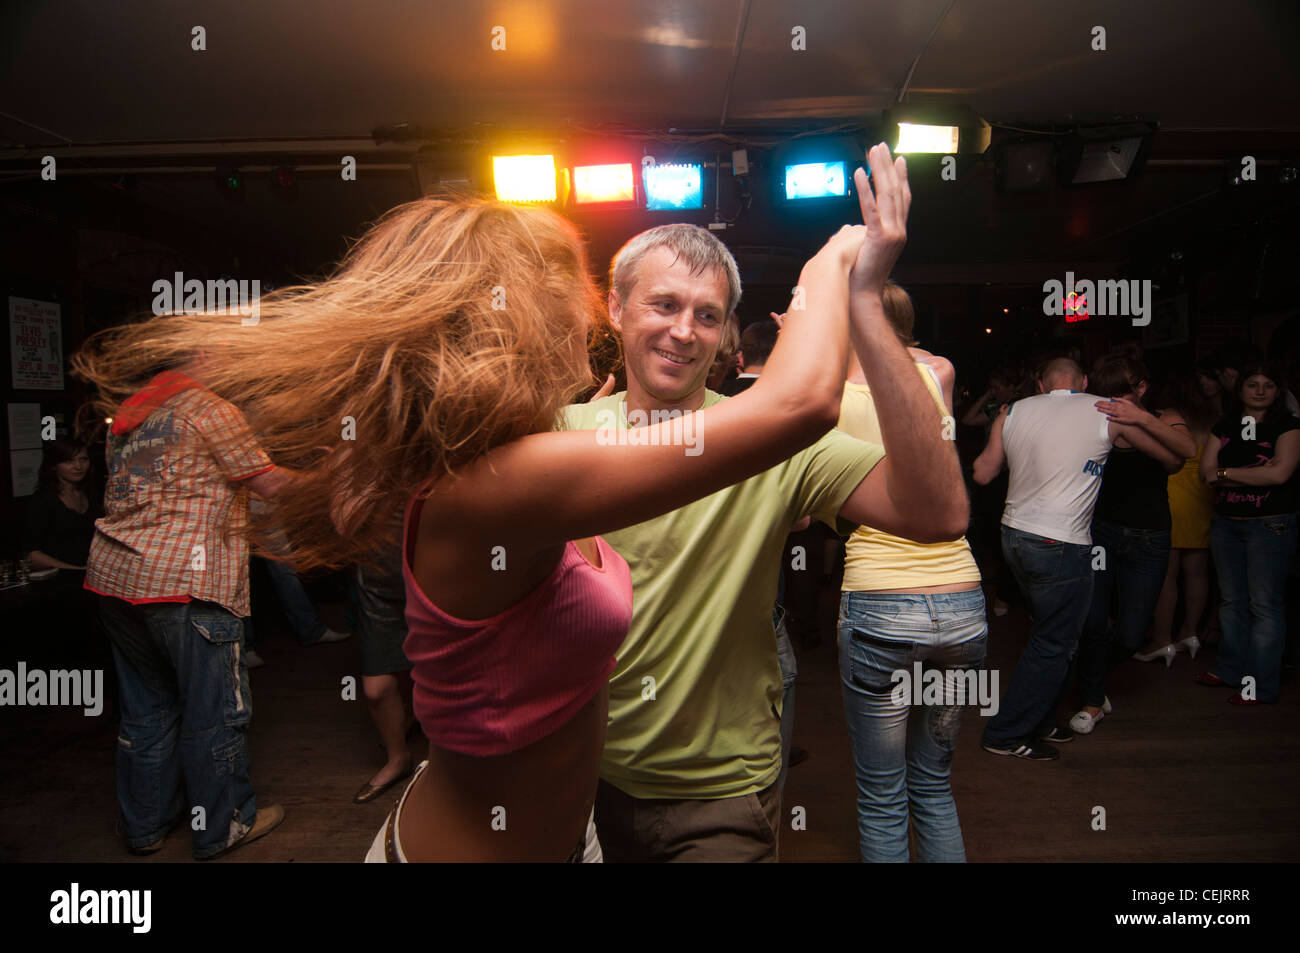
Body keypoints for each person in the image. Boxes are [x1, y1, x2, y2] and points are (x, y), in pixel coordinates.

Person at [73, 142, 912, 862]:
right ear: (498, 329)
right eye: (563, 296)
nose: (581, 310)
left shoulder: (503, 460)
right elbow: (799, 402)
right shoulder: (508, 482)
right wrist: (832, 267)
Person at [564, 155, 969, 862]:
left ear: (727, 334)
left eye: (708, 315)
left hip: (720, 792)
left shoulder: (771, 439)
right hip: (581, 777)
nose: (684, 331)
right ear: (616, 306)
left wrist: (865, 301)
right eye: (663, 304)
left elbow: (937, 511)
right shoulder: (560, 435)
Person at [71, 362, 293, 859]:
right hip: (187, 584)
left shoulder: (130, 413)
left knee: (146, 712)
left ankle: (144, 828)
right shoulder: (213, 410)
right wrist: (339, 475)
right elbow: (272, 485)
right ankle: (224, 826)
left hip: (115, 577)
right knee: (215, 716)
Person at [836, 280, 986, 862]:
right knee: (933, 782)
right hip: (961, 599)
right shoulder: (940, 372)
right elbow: (937, 457)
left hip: (880, 598)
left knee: (882, 793)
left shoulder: (830, 389)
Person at [972, 357, 1171, 760]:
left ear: (1042, 384)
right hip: (1060, 543)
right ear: (1082, 381)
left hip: (1014, 536)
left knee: (1050, 630)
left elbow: (982, 474)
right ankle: (1006, 733)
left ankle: (1041, 721)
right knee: (1053, 642)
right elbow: (1173, 459)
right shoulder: (1104, 409)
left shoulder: (1013, 410)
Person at [1070, 357, 1194, 734]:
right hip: (1101, 532)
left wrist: (1141, 419)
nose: (1111, 402)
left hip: (1149, 537)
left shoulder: (1164, 416)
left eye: (1119, 395)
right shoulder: (1099, 418)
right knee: (1092, 622)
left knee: (1131, 632)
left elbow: (1183, 453)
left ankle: (1086, 680)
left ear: (1141, 388)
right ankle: (1092, 702)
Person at [1197, 363, 1300, 705]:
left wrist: (1226, 472)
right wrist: (1249, 472)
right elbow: (1206, 474)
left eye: (1268, 385)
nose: (1259, 391)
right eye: (1252, 384)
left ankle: (1259, 685)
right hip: (1226, 523)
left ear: (1278, 391)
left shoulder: (1287, 426)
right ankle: (1230, 670)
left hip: (1269, 524)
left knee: (1265, 605)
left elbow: (1279, 475)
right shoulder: (1223, 426)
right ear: (1239, 389)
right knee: (1230, 602)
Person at [1147, 369, 1221, 660]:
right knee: (1198, 573)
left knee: (1167, 577)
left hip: (1172, 498)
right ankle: (1189, 632)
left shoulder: (1167, 418)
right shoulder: (1213, 420)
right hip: (1203, 499)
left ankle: (1162, 639)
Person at [22, 437, 100, 571]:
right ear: (53, 465)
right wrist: (76, 570)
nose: (78, 466)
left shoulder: (92, 494)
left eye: (83, 459)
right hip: (58, 579)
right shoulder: (43, 500)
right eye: (68, 461)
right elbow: (31, 555)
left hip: (92, 575)